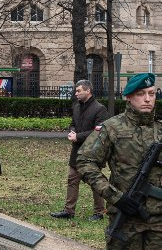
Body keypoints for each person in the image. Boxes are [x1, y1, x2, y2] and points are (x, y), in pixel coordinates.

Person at [76, 72, 162, 250]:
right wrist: (116, 197)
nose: (147, 99)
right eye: (141, 94)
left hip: (161, 220)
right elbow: (85, 161)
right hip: (125, 218)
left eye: (151, 93)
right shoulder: (112, 128)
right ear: (129, 97)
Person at [51, 80, 109, 220]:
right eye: (76, 91)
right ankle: (68, 211)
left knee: (95, 182)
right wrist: (72, 132)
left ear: (88, 91)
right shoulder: (77, 107)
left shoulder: (99, 109)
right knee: (72, 179)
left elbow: (99, 132)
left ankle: (99, 212)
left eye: (79, 91)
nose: (76, 93)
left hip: (92, 152)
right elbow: (73, 124)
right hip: (77, 151)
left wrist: (78, 136)